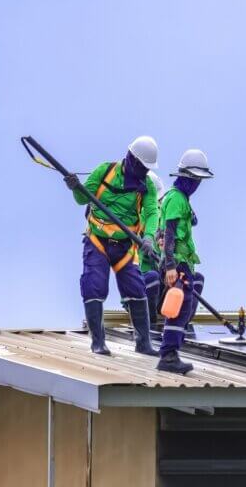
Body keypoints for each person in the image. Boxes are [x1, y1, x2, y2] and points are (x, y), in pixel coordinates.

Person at [65, 136, 160, 356]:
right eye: (143, 167)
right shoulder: (104, 171)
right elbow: (82, 198)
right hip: (97, 240)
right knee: (94, 285)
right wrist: (74, 188)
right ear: (132, 160)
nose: (145, 172)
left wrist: (148, 237)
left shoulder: (146, 186)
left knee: (136, 289)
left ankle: (143, 343)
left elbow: (152, 212)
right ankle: (98, 343)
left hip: (125, 246)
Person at [156, 149, 213, 374]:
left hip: (183, 262)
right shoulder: (176, 199)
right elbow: (169, 233)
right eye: (195, 179)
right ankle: (168, 355)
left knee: (184, 307)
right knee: (178, 309)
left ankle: (172, 353)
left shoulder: (181, 200)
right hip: (177, 263)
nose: (197, 183)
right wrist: (170, 265)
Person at [140, 171, 167, 328]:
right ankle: (149, 326)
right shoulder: (142, 213)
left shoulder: (162, 215)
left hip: (158, 285)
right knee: (151, 277)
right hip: (143, 281)